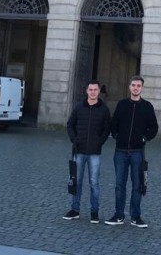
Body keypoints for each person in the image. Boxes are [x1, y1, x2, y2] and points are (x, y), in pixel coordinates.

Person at [105, 75, 158, 229]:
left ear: (142, 88)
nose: (135, 88)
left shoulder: (147, 106)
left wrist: (144, 138)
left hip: (137, 152)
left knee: (137, 185)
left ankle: (135, 216)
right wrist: (116, 136)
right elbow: (114, 123)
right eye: (133, 85)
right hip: (120, 151)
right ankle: (118, 215)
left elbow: (154, 127)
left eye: (138, 86)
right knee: (119, 185)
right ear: (129, 87)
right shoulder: (122, 104)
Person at [63, 80, 112, 224]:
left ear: (99, 91)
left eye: (95, 89)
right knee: (76, 181)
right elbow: (70, 125)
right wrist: (74, 139)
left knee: (94, 183)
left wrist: (100, 141)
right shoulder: (79, 107)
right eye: (90, 89)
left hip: (94, 152)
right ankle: (75, 209)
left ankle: (94, 212)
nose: (93, 92)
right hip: (79, 150)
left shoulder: (104, 109)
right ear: (87, 91)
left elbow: (107, 128)